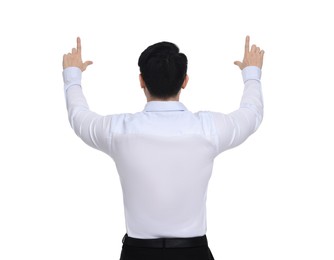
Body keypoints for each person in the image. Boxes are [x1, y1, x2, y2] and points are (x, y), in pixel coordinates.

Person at [62, 35, 264, 260]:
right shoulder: (209, 129)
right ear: (185, 81)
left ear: (141, 81)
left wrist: (73, 76)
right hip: (193, 254)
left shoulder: (118, 130)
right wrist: (252, 74)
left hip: (137, 254)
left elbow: (79, 118)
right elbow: (251, 115)